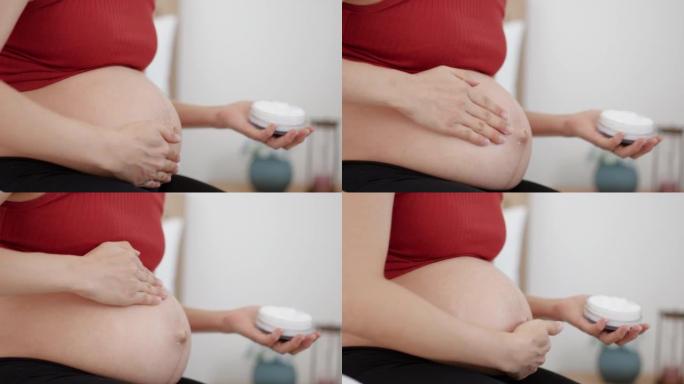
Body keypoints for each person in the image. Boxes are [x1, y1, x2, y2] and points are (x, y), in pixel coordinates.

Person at [342, 0, 660, 192]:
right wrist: (404, 89)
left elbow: (469, 110)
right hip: (377, 170)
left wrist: (569, 125)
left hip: (461, 181)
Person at [0, 192, 319, 383]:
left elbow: (128, 298)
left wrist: (227, 321)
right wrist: (81, 271)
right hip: (35, 365)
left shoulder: (152, 176)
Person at [0, 0, 312, 192]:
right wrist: (108, 148)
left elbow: (109, 91)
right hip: (39, 161)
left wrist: (220, 116)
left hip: (125, 171)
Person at [342, 193, 649, 383]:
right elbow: (357, 295)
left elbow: (446, 280)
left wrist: (558, 308)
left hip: (480, 358)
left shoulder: (483, 173)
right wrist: (501, 351)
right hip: (386, 349)